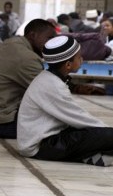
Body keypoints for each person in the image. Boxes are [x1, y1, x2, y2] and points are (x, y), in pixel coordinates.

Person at [17, 35, 113, 166]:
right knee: (102, 135)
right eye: (79, 57)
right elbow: (80, 118)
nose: (82, 59)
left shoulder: (49, 78)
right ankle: (94, 156)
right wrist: (107, 132)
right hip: (40, 146)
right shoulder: (52, 85)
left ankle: (93, 156)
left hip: (51, 138)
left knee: (95, 136)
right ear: (68, 65)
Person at [0, 19, 56, 139]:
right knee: (58, 125)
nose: (52, 43)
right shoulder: (26, 57)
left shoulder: (13, 44)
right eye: (49, 38)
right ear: (32, 35)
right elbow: (50, 93)